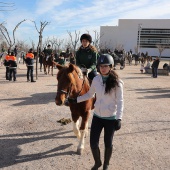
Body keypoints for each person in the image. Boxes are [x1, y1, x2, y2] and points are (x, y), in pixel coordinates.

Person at [68, 54, 124, 170]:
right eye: (101, 66)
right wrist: (75, 100)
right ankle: (97, 162)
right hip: (97, 117)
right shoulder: (96, 80)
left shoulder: (118, 83)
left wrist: (119, 118)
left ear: (111, 66)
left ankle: (106, 164)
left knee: (108, 143)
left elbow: (120, 101)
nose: (103, 68)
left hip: (110, 118)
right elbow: (90, 94)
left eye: (106, 66)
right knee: (93, 143)